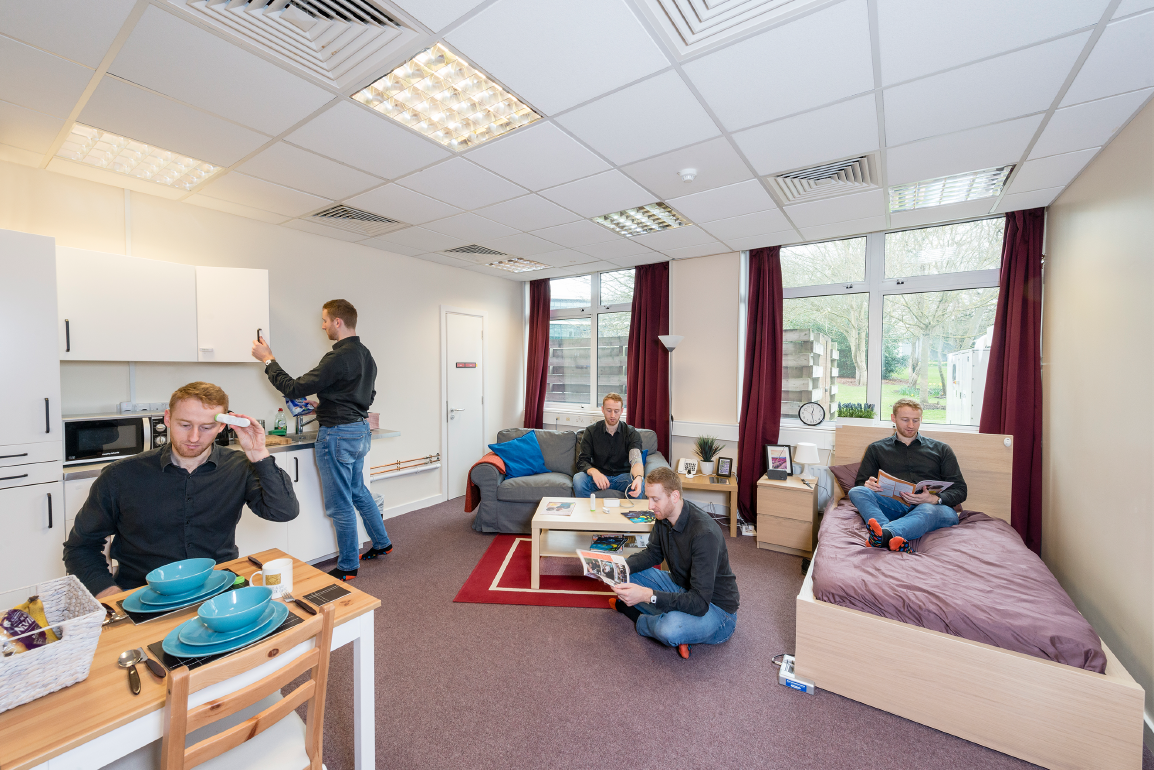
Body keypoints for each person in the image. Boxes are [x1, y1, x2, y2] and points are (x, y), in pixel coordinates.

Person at [63, 382, 298, 599]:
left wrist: (259, 454)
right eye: (184, 425)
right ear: (167, 418)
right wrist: (109, 595)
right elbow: (80, 547)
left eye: (206, 427)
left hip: (217, 588)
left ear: (222, 426)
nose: (194, 437)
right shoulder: (120, 475)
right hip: (143, 594)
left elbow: (283, 512)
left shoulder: (239, 466)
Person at [251, 299, 390, 581]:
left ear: (338, 322)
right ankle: (382, 543)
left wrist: (268, 359)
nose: (322, 325)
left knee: (340, 504)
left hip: (338, 433)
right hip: (360, 431)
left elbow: (292, 387)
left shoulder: (338, 357)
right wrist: (325, 404)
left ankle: (349, 565)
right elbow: (365, 397)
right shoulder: (366, 355)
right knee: (359, 491)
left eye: (325, 320)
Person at [608, 466, 739, 659]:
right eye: (648, 498)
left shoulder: (704, 534)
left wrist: (647, 595)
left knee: (670, 628)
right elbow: (653, 554)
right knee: (622, 574)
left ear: (674, 496)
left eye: (655, 499)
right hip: (681, 586)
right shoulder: (664, 515)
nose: (650, 506)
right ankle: (677, 622)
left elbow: (699, 603)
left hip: (716, 609)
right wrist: (619, 567)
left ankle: (637, 616)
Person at [848, 398, 968, 553]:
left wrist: (934, 499)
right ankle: (890, 536)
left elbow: (960, 490)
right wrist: (868, 484)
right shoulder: (876, 449)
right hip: (894, 506)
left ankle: (884, 534)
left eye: (915, 420)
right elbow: (860, 484)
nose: (911, 425)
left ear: (921, 419)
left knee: (927, 509)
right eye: (905, 420)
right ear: (893, 418)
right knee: (856, 492)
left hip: (935, 510)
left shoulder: (941, 449)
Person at [573, 393, 645, 499]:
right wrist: (594, 472)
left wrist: (639, 477)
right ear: (602, 409)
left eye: (616, 411)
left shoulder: (631, 433)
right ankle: (587, 513)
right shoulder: (591, 431)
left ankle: (631, 515)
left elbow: (636, 460)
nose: (612, 415)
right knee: (578, 479)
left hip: (623, 478)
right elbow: (582, 461)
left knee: (638, 483)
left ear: (622, 411)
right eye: (609, 410)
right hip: (598, 477)